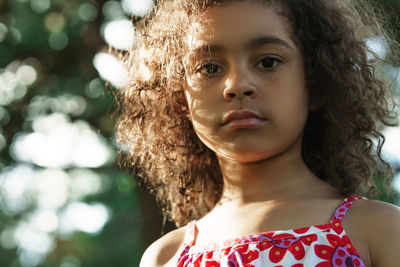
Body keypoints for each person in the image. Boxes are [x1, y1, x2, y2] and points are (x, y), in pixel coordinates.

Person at [116, 0, 400, 266]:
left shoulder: (377, 231)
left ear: (316, 84)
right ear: (181, 98)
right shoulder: (168, 257)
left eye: (267, 62)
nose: (237, 85)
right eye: (210, 68)